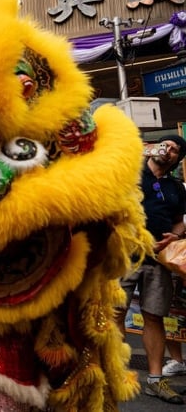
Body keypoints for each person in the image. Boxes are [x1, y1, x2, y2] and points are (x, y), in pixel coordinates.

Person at [117, 135, 186, 404]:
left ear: (177, 160)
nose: (168, 151)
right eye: (165, 145)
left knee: (154, 317)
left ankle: (155, 380)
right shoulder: (130, 172)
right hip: (124, 256)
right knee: (115, 314)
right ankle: (117, 374)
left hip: (158, 260)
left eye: (175, 151)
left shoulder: (175, 188)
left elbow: (179, 221)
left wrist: (176, 236)